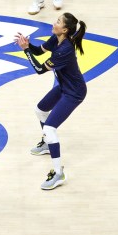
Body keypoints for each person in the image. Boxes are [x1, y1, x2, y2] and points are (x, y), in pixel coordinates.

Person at [14, 12, 87, 190]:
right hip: (64, 86)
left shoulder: (65, 50)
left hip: (74, 93)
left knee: (50, 128)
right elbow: (39, 51)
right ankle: (48, 144)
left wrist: (25, 51)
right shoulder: (57, 39)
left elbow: (39, 69)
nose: (54, 23)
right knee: (40, 110)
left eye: (58, 22)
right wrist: (28, 45)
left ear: (65, 29)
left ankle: (58, 173)